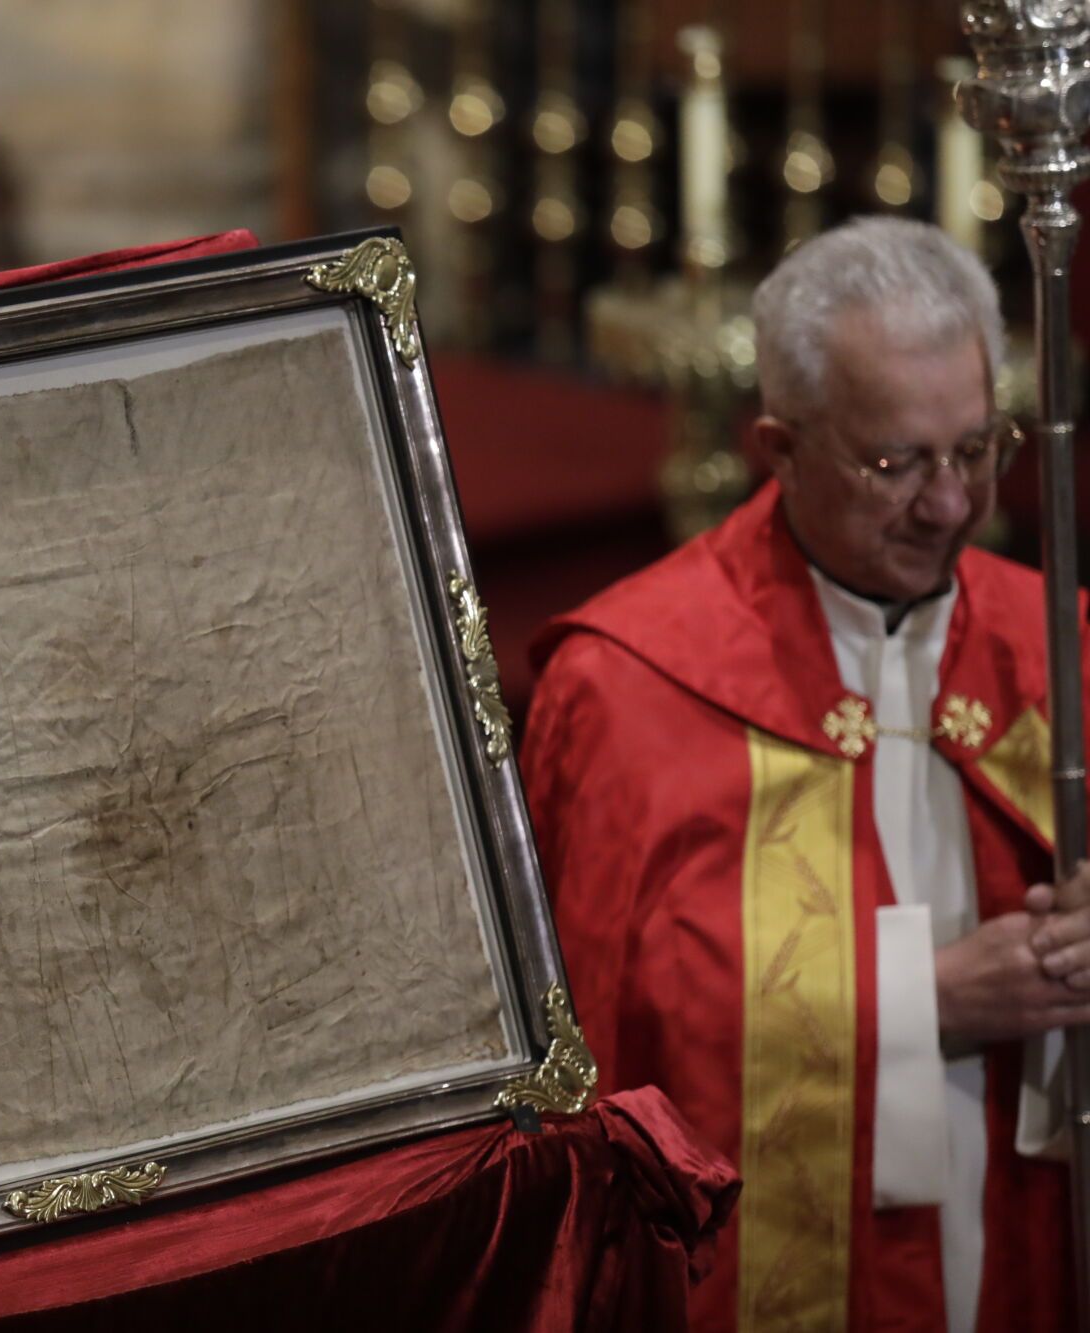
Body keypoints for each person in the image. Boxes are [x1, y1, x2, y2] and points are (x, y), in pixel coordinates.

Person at [521, 215, 1089, 1332]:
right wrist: (921, 999)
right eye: (894, 462)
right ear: (776, 448)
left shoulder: (1058, 645)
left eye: (975, 449)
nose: (947, 505)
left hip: (1018, 1227)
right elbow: (593, 1037)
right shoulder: (626, 685)